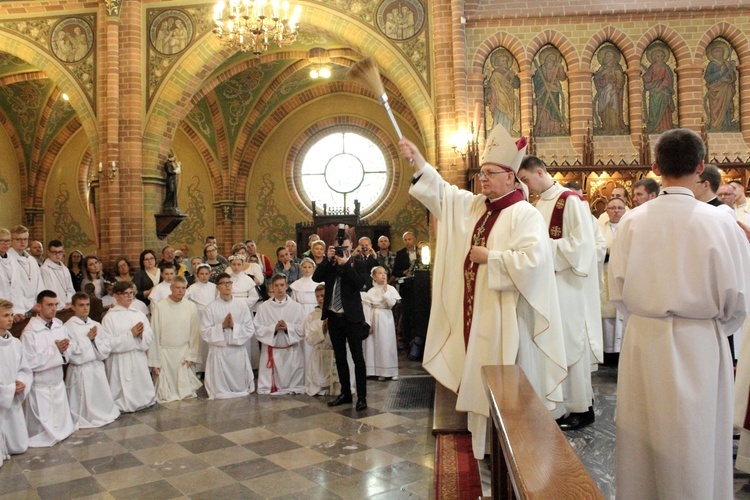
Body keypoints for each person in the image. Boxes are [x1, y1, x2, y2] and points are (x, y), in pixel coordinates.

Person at [398, 125, 567, 459]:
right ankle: (487, 449)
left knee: (509, 388)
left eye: (490, 174)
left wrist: (493, 258)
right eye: (480, 173)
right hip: (476, 318)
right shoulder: (477, 207)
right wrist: (419, 162)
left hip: (508, 318)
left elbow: (534, 262)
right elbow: (444, 195)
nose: (482, 179)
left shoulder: (525, 214)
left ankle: (515, 454)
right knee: (479, 379)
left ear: (510, 178)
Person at [609, 128, 749, 499]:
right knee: (698, 439)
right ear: (701, 167)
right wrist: (713, 326)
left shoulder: (632, 222)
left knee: (643, 440)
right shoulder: (721, 222)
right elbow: (738, 299)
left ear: (656, 167)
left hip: (644, 339)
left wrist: (647, 315)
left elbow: (618, 292)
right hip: (701, 341)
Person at [518, 156, 603, 430]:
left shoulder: (569, 201)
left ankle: (581, 407)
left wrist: (543, 252)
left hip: (566, 284)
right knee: (554, 345)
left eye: (527, 179)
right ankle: (559, 406)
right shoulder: (538, 203)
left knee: (570, 343)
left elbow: (581, 245)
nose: (526, 186)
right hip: (547, 285)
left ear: (540, 172)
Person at [313, 236, 369, 411]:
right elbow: (316, 278)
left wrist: (345, 265)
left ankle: (361, 396)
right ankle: (345, 393)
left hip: (352, 318)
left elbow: (360, 284)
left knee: (357, 357)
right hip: (334, 317)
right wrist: (327, 261)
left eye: (345, 247)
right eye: (338, 248)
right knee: (340, 357)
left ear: (351, 246)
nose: (341, 251)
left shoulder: (357, 263)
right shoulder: (331, 264)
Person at [21, 290, 75, 447]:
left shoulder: (59, 326)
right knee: (42, 429)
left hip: (57, 381)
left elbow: (69, 351)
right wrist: (55, 351)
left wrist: (64, 351)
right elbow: (29, 362)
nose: (54, 308)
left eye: (56, 305)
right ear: (39, 307)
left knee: (60, 424)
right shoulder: (30, 332)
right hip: (41, 386)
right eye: (49, 305)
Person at [64, 292, 119, 429]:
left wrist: (94, 340)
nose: (85, 308)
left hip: (96, 366)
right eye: (81, 305)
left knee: (99, 399)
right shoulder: (68, 327)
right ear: (73, 307)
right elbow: (71, 352)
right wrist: (87, 339)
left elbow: (106, 346)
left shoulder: (96, 324)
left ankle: (102, 413)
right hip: (80, 369)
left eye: (87, 305)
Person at [101, 281, 156, 412]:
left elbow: (149, 335)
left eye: (131, 293)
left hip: (137, 356)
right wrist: (130, 335)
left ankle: (143, 399)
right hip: (119, 359)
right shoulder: (109, 317)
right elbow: (108, 343)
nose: (129, 297)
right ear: (116, 295)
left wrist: (142, 335)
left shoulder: (138, 314)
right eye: (125, 294)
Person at [201, 273, 255, 399]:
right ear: (217, 287)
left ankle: (238, 388)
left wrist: (234, 326)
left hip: (236, 351)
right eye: (223, 283)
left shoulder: (242, 306)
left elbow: (249, 328)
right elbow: (204, 331)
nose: (227, 286)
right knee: (220, 389)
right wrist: (222, 326)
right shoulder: (210, 308)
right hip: (219, 350)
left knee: (240, 386)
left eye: (229, 283)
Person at [148, 276, 202, 403]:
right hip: (165, 351)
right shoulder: (160, 306)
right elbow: (154, 333)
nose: (181, 291)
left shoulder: (191, 306)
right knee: (166, 393)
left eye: (183, 288)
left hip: (183, 351)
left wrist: (191, 355)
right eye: (177, 288)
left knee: (186, 392)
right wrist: (155, 362)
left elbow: (194, 332)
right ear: (171, 288)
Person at [255, 274, 307, 395]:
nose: (279, 288)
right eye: (276, 285)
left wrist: (288, 327)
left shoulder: (296, 307)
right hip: (272, 350)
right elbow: (257, 328)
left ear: (286, 286)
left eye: (282, 285)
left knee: (293, 378)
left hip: (291, 349)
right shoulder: (264, 308)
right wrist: (274, 328)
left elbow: (302, 328)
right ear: (272, 287)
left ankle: (292, 385)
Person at [0, 298, 31, 464]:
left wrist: (21, 382)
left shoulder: (16, 343)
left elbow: (24, 369)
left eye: (11, 315)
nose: (11, 319)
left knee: (19, 446)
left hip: (13, 400)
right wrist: (8, 390)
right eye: (5, 315)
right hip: (4, 397)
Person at [599, 197, 627, 358]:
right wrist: (606, 252)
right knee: (608, 314)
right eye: (612, 208)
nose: (616, 211)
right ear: (607, 211)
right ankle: (608, 351)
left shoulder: (630, 226)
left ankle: (621, 350)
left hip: (625, 276)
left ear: (624, 210)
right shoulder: (599, 228)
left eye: (619, 208)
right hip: (605, 273)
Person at [361, 266, 400, 380]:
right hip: (374, 318)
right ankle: (377, 370)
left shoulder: (390, 289)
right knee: (374, 344)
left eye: (384, 273)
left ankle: (390, 371)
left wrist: (385, 291)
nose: (383, 275)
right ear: (374, 277)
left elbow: (391, 303)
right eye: (380, 273)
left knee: (386, 343)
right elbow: (366, 307)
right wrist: (368, 323)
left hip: (385, 318)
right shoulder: (370, 291)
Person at [303, 284, 340, 396]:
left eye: (323, 296)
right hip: (319, 355)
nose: (320, 299)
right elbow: (309, 339)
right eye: (317, 296)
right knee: (317, 389)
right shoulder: (311, 317)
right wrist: (322, 330)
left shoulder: (338, 313)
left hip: (335, 354)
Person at [185, 263, 216, 373]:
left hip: (211, 317)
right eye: (201, 274)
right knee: (199, 341)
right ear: (197, 275)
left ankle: (210, 367)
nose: (204, 276)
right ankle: (199, 369)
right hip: (198, 316)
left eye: (206, 274)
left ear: (210, 274)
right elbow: (185, 300)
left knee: (210, 341)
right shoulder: (192, 288)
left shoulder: (214, 287)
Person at [8, 226, 44, 318]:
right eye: (19, 239)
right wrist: (30, 306)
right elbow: (12, 289)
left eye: (25, 239)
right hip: (18, 309)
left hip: (37, 307)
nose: (23, 242)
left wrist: (40, 303)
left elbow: (39, 283)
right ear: (11, 240)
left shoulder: (32, 260)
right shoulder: (7, 260)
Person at [533, 48, 568, 136]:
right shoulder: (540, 70)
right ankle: (544, 129)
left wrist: (561, 68)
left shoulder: (556, 68)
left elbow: (562, 78)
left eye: (553, 60)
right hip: (543, 93)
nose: (551, 61)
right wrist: (545, 85)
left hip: (554, 91)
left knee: (554, 110)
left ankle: (555, 129)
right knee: (544, 111)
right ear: (545, 60)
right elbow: (537, 81)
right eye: (549, 59)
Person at [704, 42, 737, 132]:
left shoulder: (727, 63)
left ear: (723, 53)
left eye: (719, 52)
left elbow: (732, 76)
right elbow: (707, 77)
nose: (717, 54)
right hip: (716, 88)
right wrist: (719, 73)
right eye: (715, 52)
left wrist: (729, 78)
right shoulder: (712, 64)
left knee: (727, 105)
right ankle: (715, 125)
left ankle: (727, 125)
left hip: (726, 87)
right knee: (716, 108)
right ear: (712, 54)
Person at [642, 46, 675, 133]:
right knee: (654, 109)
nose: (660, 57)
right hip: (654, 91)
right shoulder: (652, 67)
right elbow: (648, 77)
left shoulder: (666, 68)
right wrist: (646, 77)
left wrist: (661, 86)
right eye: (658, 56)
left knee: (664, 108)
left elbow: (668, 79)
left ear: (664, 57)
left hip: (663, 91)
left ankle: (666, 126)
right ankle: (656, 126)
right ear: (654, 57)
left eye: (661, 56)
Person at [40, 240, 75, 310]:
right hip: (55, 308)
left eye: (60, 252)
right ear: (48, 253)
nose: (58, 255)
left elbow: (70, 288)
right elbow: (49, 291)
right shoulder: (45, 269)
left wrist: (69, 301)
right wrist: (62, 305)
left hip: (68, 306)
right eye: (54, 252)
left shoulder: (65, 269)